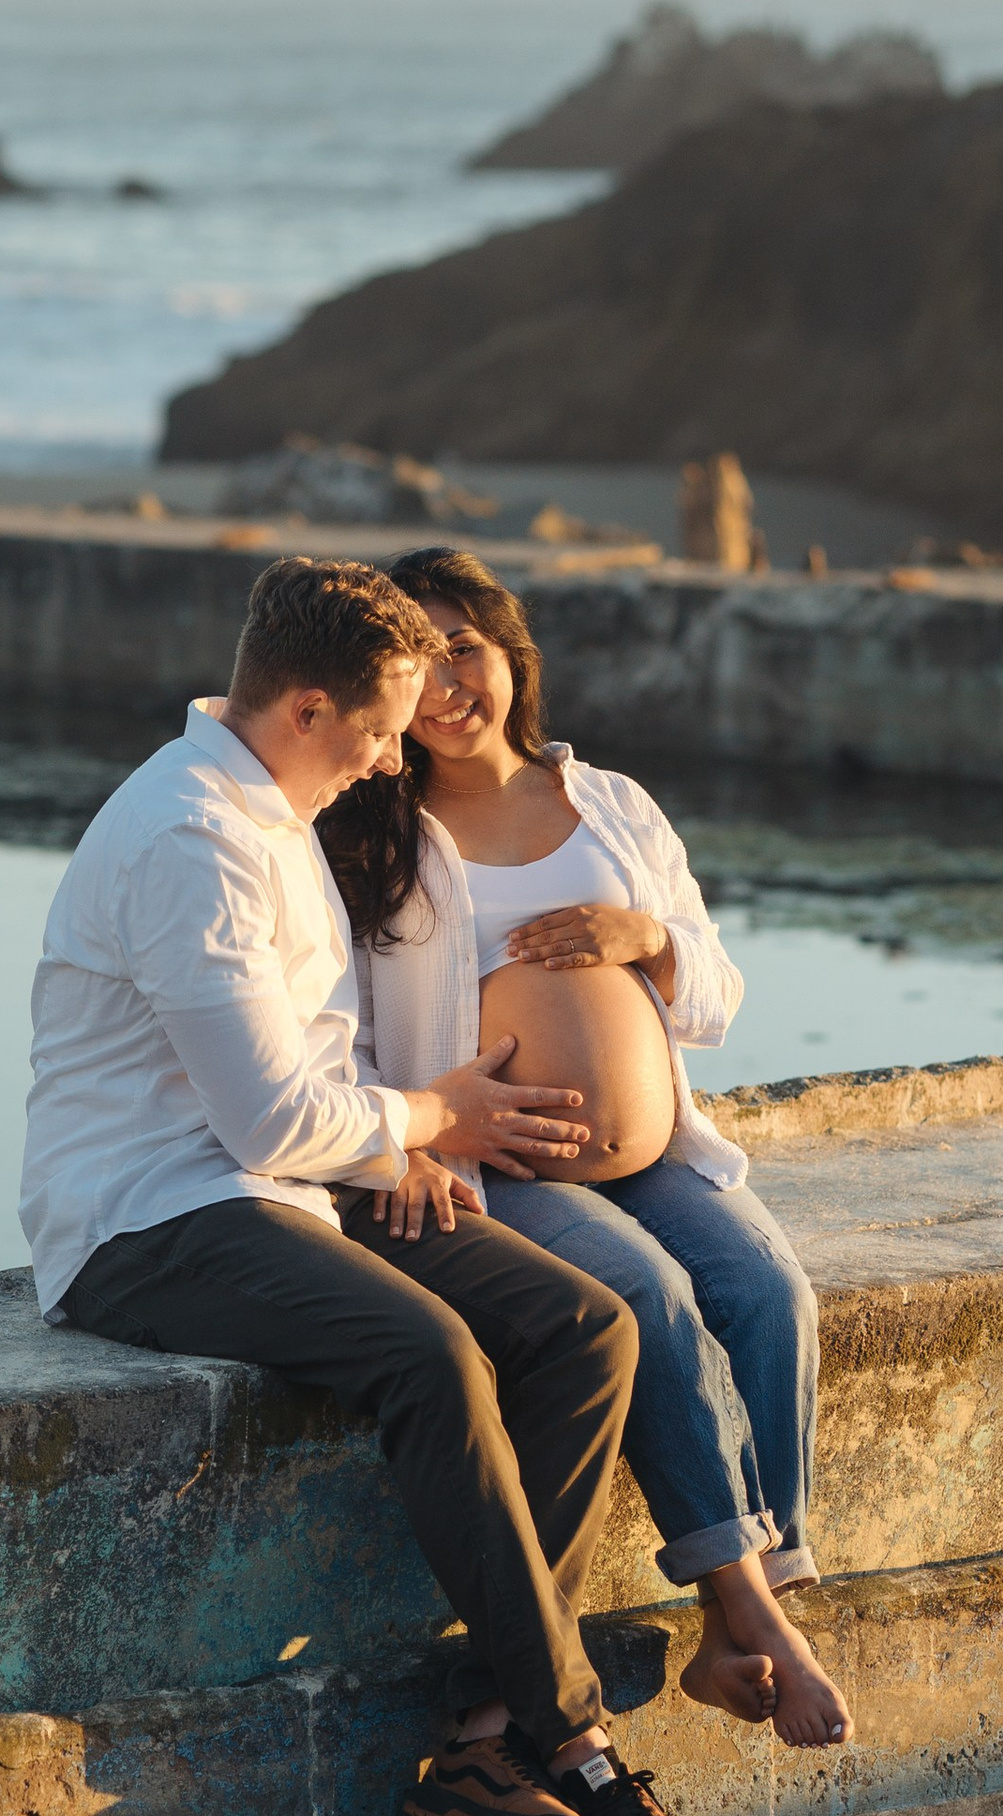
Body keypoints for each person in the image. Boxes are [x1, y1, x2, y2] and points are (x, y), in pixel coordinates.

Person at [21, 552, 729, 1816]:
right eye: (382, 725)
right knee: (432, 1355)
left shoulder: (285, 805)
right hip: (148, 1219)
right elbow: (274, 1114)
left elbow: (317, 1077)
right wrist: (430, 1116)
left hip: (285, 1190)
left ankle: (484, 1742)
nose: (398, 752)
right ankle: (579, 1747)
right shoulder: (193, 841)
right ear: (303, 708)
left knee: (587, 1325)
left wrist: (400, 1144)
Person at [321, 545, 852, 1752]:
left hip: (656, 1149)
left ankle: (750, 1613)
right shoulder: (372, 832)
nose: (449, 682)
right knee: (652, 1298)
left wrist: (645, 937)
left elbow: (711, 996)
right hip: (488, 1159)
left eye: (466, 647)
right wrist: (411, 1133)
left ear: (510, 654)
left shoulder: (610, 806)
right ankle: (750, 1618)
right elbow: (333, 1020)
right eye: (419, 659)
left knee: (765, 1289)